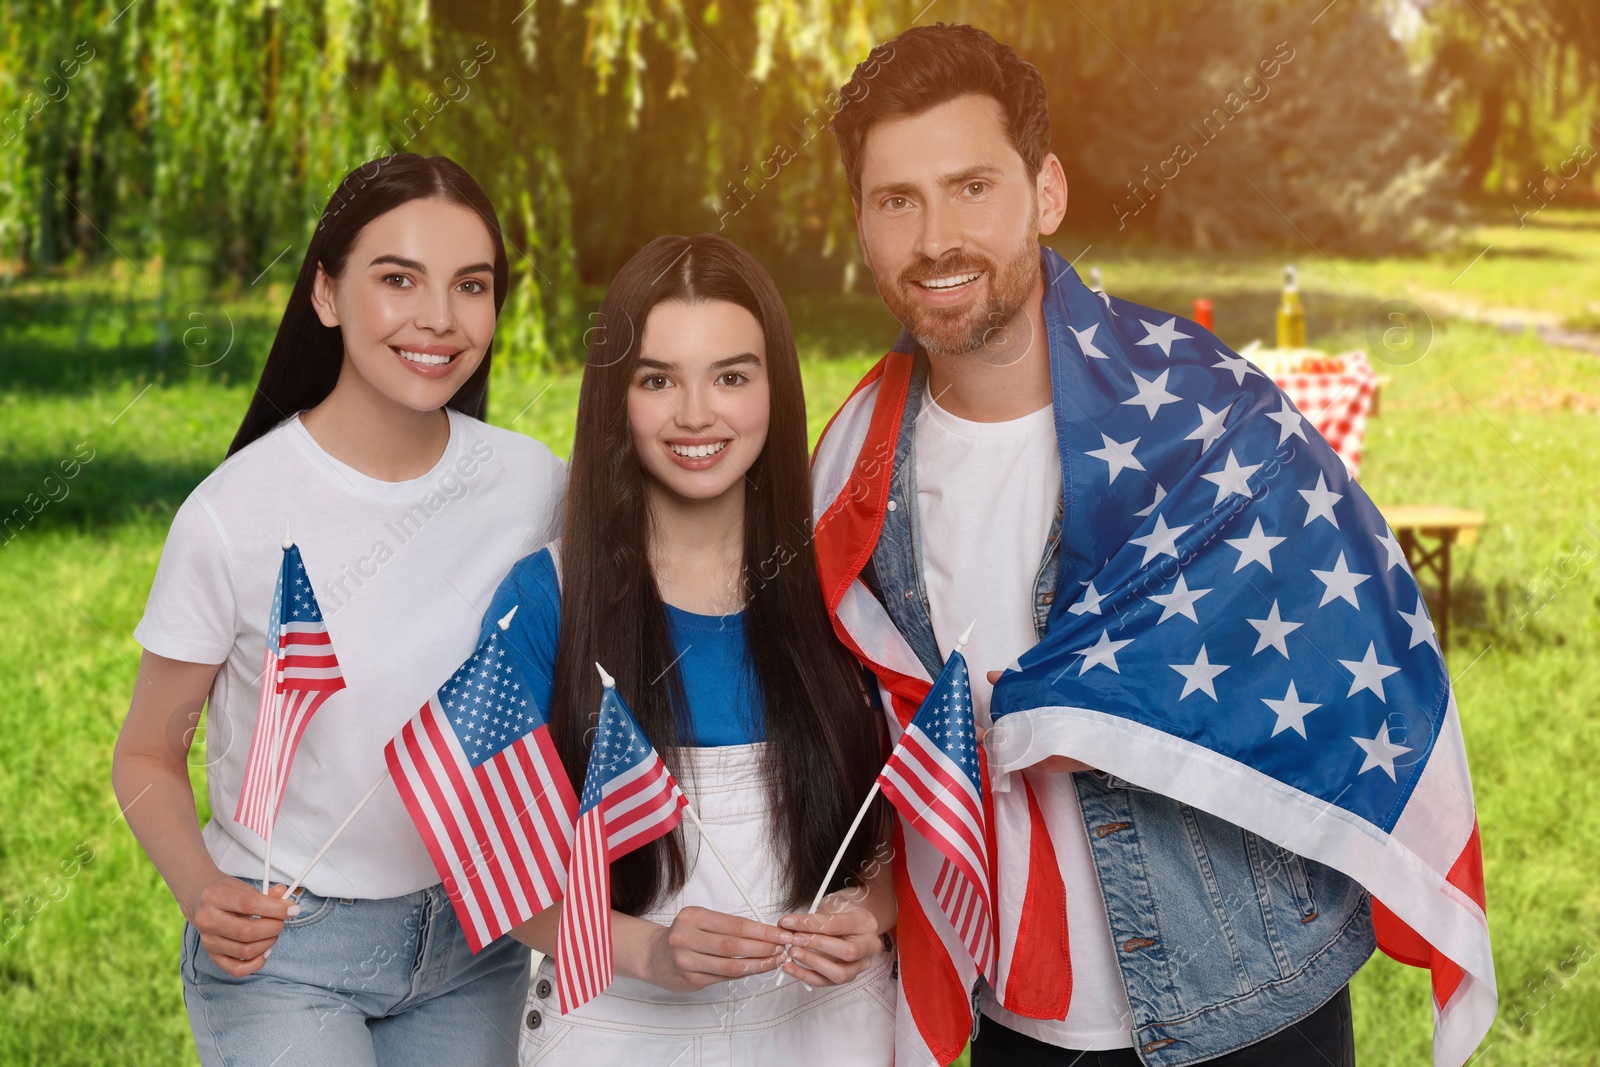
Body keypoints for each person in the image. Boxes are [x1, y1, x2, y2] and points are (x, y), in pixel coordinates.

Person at [813, 24, 1374, 1066]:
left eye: (972, 186)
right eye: (898, 200)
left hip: (1246, 996)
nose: (936, 236)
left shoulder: (1208, 417)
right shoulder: (848, 467)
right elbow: (878, 742)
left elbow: (1342, 677)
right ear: (862, 224)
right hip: (1016, 1012)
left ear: (1048, 192)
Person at [112, 153, 566, 1067]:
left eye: (470, 286)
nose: (438, 318)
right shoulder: (231, 514)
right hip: (287, 947)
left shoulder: (533, 484)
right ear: (325, 292)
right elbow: (148, 752)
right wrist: (200, 887)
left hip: (478, 936)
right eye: (398, 279)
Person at [484, 233, 897, 1065]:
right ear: (615, 397)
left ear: (774, 388)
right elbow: (500, 871)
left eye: (732, 376)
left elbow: (902, 831)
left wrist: (870, 915)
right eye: (658, 379)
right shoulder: (546, 600)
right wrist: (648, 952)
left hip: (827, 1026)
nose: (698, 413)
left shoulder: (846, 589)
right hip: (618, 1023)